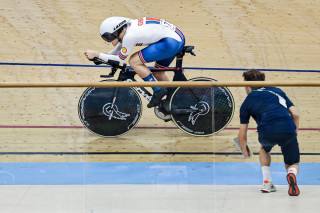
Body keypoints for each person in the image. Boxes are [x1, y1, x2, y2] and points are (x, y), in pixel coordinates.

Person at [84, 16, 185, 108]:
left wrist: (97, 54)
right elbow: (114, 53)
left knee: (134, 61)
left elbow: (119, 59)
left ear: (117, 31)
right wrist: (100, 57)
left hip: (170, 42)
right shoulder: (127, 29)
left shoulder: (129, 36)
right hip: (176, 39)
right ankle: (174, 98)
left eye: (110, 37)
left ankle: (158, 90)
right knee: (158, 73)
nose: (110, 41)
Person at [237, 69, 300, 196]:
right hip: (287, 128)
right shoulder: (278, 91)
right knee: (292, 162)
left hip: (267, 131)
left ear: (247, 84)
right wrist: (294, 132)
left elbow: (242, 134)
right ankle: (291, 173)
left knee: (264, 150)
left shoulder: (247, 102)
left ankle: (267, 182)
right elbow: (296, 114)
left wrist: (244, 149)